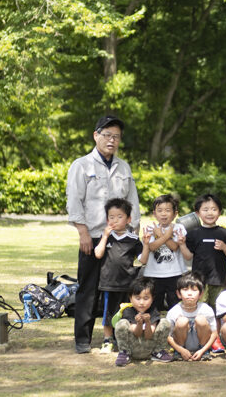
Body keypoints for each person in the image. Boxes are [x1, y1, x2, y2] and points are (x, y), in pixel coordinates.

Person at [66, 115, 140, 354]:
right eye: (107, 135)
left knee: (120, 288)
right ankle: (83, 339)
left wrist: (134, 231)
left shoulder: (123, 167)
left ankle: (120, 336)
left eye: (116, 136)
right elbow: (74, 200)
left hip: (121, 238)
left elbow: (133, 201)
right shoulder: (82, 165)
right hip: (94, 235)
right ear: (96, 135)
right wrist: (82, 232)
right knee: (88, 288)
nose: (112, 140)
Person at [93, 198, 142, 353]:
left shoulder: (133, 239)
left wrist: (146, 244)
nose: (115, 220)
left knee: (127, 312)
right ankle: (107, 340)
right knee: (108, 313)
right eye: (111, 217)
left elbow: (143, 259)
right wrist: (105, 237)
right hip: (108, 283)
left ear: (128, 219)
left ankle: (126, 339)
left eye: (119, 217)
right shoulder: (106, 236)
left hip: (127, 283)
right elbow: (98, 254)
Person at [178, 193, 226, 309]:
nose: (210, 213)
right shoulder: (194, 234)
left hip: (219, 279)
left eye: (214, 209)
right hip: (199, 280)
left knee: (219, 308)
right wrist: (182, 245)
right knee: (200, 307)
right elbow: (188, 256)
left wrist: (225, 247)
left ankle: (217, 327)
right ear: (198, 213)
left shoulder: (224, 233)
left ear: (219, 212)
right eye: (205, 209)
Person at [139, 194, 187, 311]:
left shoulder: (179, 228)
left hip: (174, 274)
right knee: (154, 305)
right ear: (154, 213)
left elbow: (174, 246)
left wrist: (160, 235)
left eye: (167, 210)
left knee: (175, 304)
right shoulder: (150, 229)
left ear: (175, 213)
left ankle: (175, 327)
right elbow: (152, 247)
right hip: (154, 274)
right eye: (159, 210)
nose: (163, 214)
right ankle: (155, 327)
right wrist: (165, 235)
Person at [113, 277, 173, 366]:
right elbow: (136, 334)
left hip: (150, 346)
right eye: (137, 298)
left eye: (146, 298)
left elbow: (149, 335)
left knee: (165, 322)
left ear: (152, 299)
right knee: (121, 324)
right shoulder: (128, 311)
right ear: (130, 298)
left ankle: (158, 351)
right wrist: (139, 323)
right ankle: (125, 352)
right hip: (133, 347)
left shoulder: (153, 311)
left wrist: (148, 322)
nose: (141, 302)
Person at [166, 271, 217, 361]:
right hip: (181, 345)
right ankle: (178, 353)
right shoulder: (174, 311)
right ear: (178, 294)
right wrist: (180, 350)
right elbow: (168, 336)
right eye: (185, 290)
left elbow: (214, 333)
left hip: (202, 345)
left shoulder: (206, 309)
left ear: (201, 294)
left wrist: (202, 350)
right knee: (182, 321)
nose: (189, 293)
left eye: (194, 290)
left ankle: (205, 353)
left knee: (200, 319)